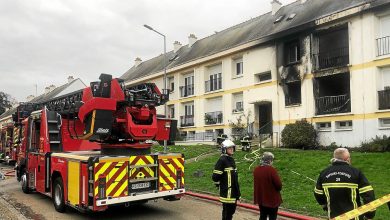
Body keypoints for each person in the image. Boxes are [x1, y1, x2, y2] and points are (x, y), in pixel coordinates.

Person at [314, 148, 376, 219]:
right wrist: (370, 214)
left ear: (334, 158)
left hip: (333, 217)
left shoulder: (324, 173)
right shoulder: (356, 173)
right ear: (347, 159)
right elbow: (368, 194)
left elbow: (318, 193)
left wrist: (325, 206)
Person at [212, 139, 241, 220]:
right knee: (227, 213)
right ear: (224, 150)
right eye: (229, 148)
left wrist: (238, 193)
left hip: (233, 192)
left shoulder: (231, 159)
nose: (232, 149)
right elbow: (215, 177)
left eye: (232, 148)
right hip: (227, 193)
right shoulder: (222, 160)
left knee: (231, 212)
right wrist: (221, 183)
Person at [253, 152, 282, 220]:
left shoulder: (256, 169)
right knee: (272, 217)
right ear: (269, 160)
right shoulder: (271, 170)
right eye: (272, 160)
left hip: (261, 198)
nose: (272, 162)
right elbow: (279, 185)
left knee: (262, 216)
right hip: (271, 200)